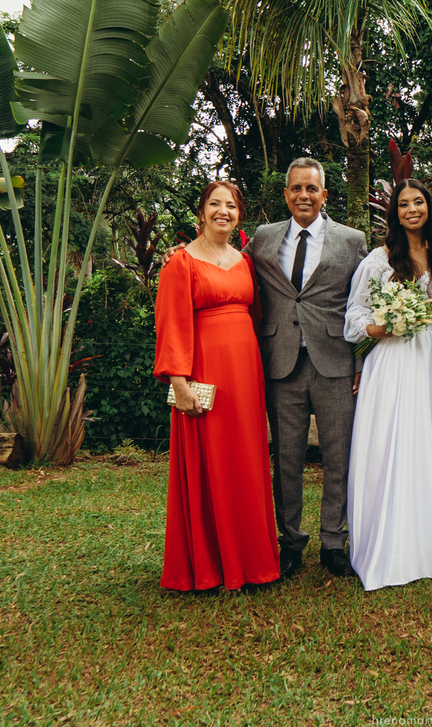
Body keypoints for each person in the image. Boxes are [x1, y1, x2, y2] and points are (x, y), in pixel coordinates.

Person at [343, 179, 432, 591]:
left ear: (429, 208)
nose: (411, 210)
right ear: (394, 212)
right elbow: (355, 312)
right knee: (393, 439)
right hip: (391, 359)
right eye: (403, 204)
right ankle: (396, 535)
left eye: (418, 202)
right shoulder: (377, 260)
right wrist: (376, 326)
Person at [154, 180, 279, 590]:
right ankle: (210, 565)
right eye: (215, 204)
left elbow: (258, 318)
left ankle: (253, 560)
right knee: (212, 462)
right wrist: (180, 382)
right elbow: (171, 326)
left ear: (239, 214)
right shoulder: (181, 263)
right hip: (205, 374)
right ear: (201, 211)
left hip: (245, 373)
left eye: (231, 205)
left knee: (247, 457)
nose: (223, 211)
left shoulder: (244, 262)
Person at [247, 158, 368, 579]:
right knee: (287, 458)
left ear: (324, 195)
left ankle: (334, 541)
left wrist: (363, 361)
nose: (304, 196)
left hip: (335, 361)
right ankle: (290, 542)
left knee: (340, 457)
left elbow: (369, 297)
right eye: (296, 189)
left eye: (311, 189)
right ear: (286, 194)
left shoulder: (352, 240)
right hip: (281, 362)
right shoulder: (263, 238)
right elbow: (226, 264)